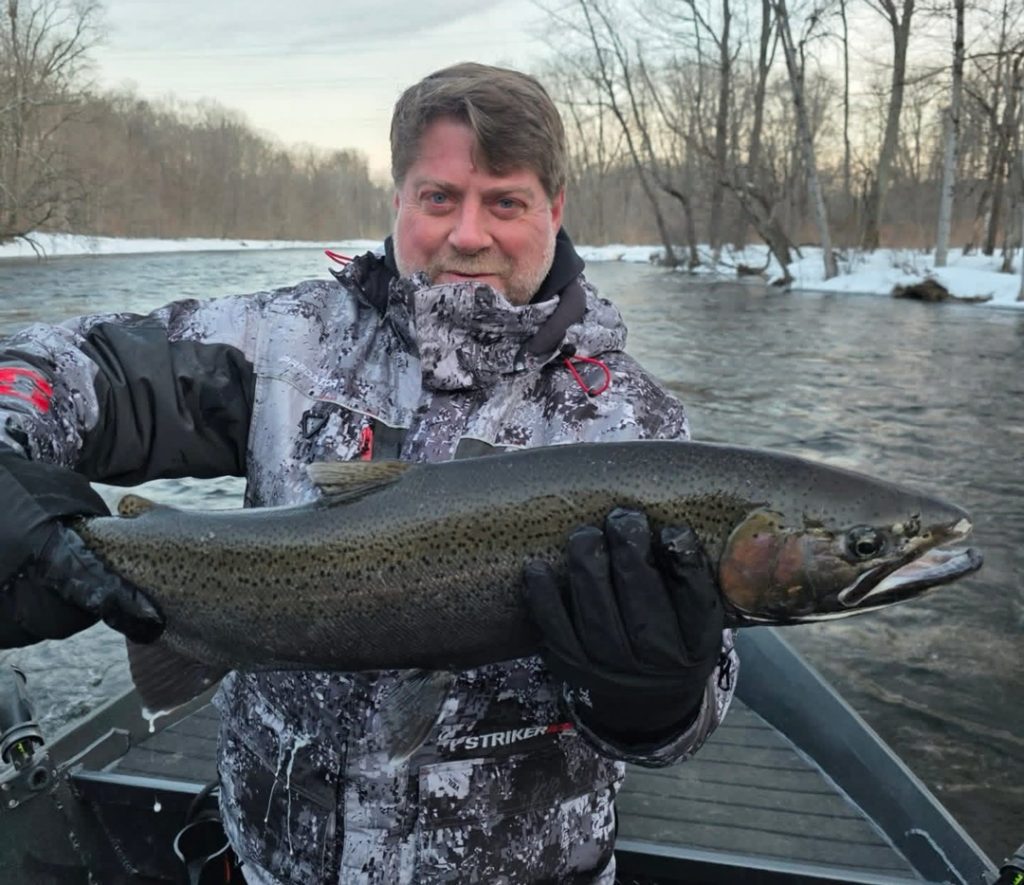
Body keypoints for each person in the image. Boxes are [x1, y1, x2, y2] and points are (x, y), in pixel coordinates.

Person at [0, 63, 737, 883]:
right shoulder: (284, 344)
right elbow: (68, 365)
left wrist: (658, 699)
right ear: (397, 199)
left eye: (505, 201)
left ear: (555, 209)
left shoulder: (634, 424)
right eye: (438, 198)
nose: (468, 234)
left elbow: (696, 716)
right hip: (271, 863)